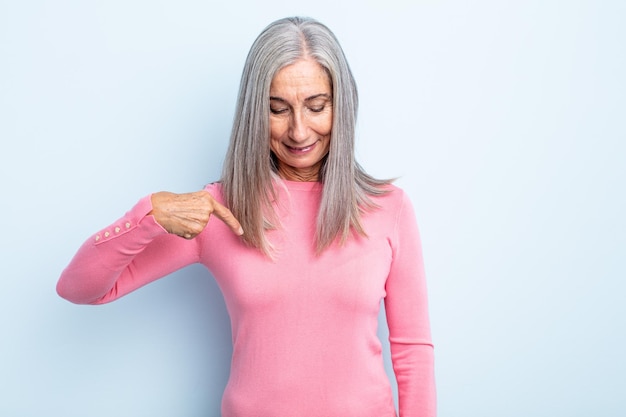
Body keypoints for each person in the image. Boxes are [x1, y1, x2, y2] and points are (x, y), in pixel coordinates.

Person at [57, 16, 436, 417]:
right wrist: (148, 214)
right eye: (277, 109)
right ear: (255, 112)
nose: (299, 131)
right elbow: (80, 288)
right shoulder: (220, 210)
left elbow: (413, 349)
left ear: (341, 106)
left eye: (316, 106)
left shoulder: (388, 208)